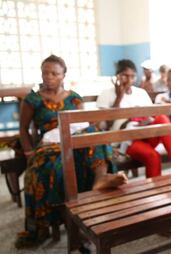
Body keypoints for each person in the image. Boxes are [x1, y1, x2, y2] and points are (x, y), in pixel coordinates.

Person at [16, 55, 127, 248]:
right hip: (49, 146)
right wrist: (28, 154)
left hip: (72, 141)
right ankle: (71, 224)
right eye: (45, 72)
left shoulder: (74, 97)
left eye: (54, 73)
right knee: (59, 172)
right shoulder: (32, 99)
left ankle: (100, 180)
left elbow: (81, 124)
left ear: (63, 75)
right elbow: (23, 129)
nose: (48, 77)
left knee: (93, 133)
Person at [96, 59, 171, 177]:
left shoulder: (141, 93)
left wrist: (144, 120)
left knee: (162, 119)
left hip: (144, 133)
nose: (129, 80)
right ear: (117, 76)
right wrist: (119, 97)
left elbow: (152, 115)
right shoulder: (106, 94)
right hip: (125, 141)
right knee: (153, 156)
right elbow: (104, 125)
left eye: (132, 76)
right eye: (125, 76)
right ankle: (154, 193)